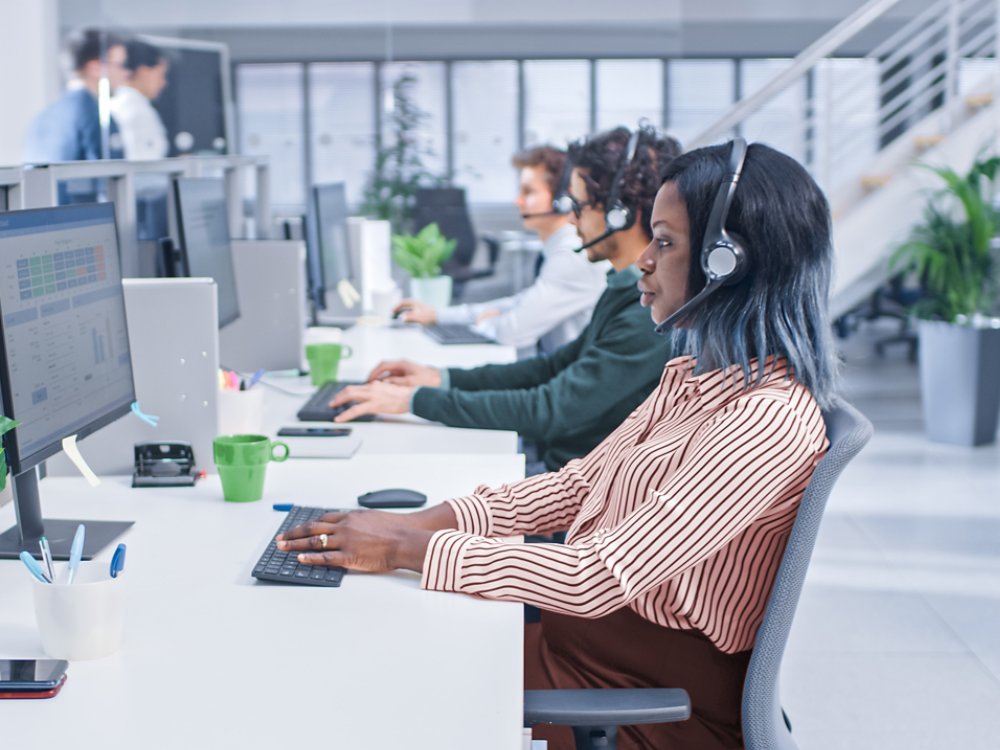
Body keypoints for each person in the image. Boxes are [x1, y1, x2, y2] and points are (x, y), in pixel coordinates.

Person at [276, 140, 841, 750]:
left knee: (374, 680)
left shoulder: (764, 421)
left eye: (667, 243)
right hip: (583, 655)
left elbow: (595, 575)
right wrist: (418, 524)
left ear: (728, 263)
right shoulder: (694, 378)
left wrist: (407, 548)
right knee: (369, 639)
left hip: (641, 703)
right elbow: (575, 488)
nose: (644, 260)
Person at [331, 125, 682, 474]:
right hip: (564, 473)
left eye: (579, 204)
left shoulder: (647, 312)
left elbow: (548, 410)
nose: (570, 217)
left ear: (620, 212)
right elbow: (550, 368)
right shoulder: (622, 287)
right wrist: (440, 379)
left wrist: (413, 400)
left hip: (577, 487)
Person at [395, 146, 608, 357]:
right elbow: (522, 303)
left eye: (529, 192)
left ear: (562, 200)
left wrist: (487, 322)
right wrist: (438, 316)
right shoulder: (557, 249)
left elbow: (512, 332)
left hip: (564, 380)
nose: (518, 201)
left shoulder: (572, 255)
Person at [24, 28, 128, 165]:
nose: (126, 73)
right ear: (95, 68)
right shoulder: (95, 115)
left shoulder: (43, 116)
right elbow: (111, 177)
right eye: (120, 65)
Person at [111, 39, 170, 160]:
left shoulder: (128, 104)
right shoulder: (133, 109)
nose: (163, 83)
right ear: (143, 72)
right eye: (160, 75)